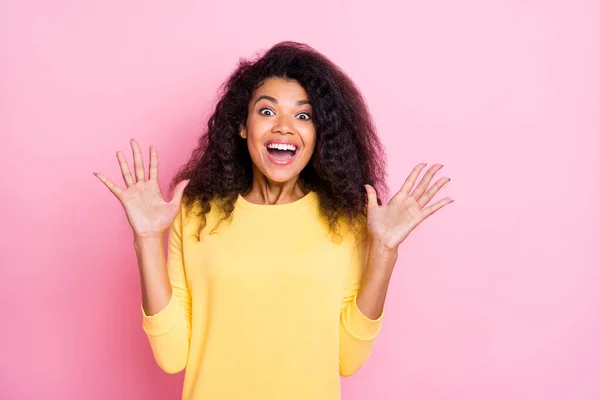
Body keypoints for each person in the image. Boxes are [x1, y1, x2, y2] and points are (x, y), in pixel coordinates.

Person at [94, 41, 453, 400]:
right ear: (242, 127)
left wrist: (384, 250)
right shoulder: (196, 215)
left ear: (318, 135)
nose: (284, 128)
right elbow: (171, 356)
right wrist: (147, 239)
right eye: (267, 112)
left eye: (303, 116)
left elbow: (348, 358)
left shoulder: (346, 223)